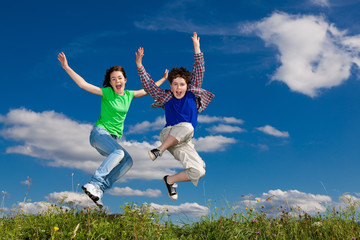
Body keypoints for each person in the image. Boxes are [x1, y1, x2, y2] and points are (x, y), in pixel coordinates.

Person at [58, 52, 168, 208]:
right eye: (113, 79)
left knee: (128, 161)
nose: (117, 81)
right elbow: (83, 84)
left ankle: (99, 189)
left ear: (125, 80)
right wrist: (66, 67)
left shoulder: (129, 95)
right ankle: (94, 182)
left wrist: (163, 79)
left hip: (112, 140)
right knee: (119, 153)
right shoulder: (107, 93)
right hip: (99, 134)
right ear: (110, 82)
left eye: (120, 78)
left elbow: (147, 90)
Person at [136, 32, 214, 201]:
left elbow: (199, 69)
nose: (178, 88)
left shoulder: (192, 94)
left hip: (183, 141)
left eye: (182, 85)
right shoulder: (166, 97)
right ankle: (159, 151)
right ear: (170, 85)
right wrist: (140, 65)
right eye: (175, 84)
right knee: (187, 126)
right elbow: (149, 86)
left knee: (199, 171)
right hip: (168, 134)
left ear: (187, 85)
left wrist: (196, 47)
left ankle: (169, 180)